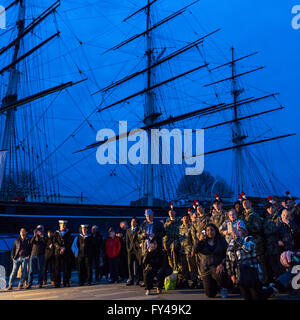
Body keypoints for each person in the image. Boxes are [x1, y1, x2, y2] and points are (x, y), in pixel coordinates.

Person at [226, 220, 277, 300]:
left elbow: (249, 248)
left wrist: (239, 239)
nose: (236, 232)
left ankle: (270, 290)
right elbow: (228, 258)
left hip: (251, 272)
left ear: (244, 231)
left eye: (239, 230)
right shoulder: (232, 242)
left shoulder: (249, 239)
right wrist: (231, 274)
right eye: (235, 230)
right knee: (247, 297)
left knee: (256, 297)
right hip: (239, 273)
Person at [193, 224, 229, 298]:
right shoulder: (202, 242)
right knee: (210, 294)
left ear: (215, 231)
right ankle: (215, 286)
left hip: (218, 266)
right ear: (205, 232)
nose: (210, 232)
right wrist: (199, 241)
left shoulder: (221, 240)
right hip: (206, 269)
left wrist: (222, 264)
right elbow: (195, 251)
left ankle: (223, 287)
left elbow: (227, 253)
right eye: (208, 230)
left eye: (212, 230)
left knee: (220, 275)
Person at [241, 198, 267, 284]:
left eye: (246, 202)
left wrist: (245, 225)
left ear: (251, 203)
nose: (244, 203)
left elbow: (257, 228)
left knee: (260, 262)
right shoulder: (243, 215)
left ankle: (265, 281)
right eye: (243, 202)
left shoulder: (254, 215)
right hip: (247, 242)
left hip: (256, 241)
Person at [263, 202, 282, 282]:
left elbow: (278, 228)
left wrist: (271, 230)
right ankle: (273, 280)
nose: (270, 209)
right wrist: (272, 230)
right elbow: (265, 231)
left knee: (279, 264)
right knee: (271, 264)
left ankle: (280, 281)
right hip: (269, 245)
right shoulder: (266, 219)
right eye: (268, 208)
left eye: (272, 207)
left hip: (277, 243)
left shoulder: (278, 217)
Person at [178, 213, 197, 289]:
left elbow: (194, 240)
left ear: (189, 219)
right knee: (183, 267)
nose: (185, 219)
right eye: (184, 218)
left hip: (189, 250)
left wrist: (193, 250)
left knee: (192, 267)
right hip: (182, 250)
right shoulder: (179, 228)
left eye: (187, 218)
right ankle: (185, 281)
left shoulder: (191, 228)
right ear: (182, 219)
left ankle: (194, 281)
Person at [53, 220, 74, 288]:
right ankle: (57, 283)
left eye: (64, 225)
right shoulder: (56, 233)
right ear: (59, 225)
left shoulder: (68, 232)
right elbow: (54, 242)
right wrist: (60, 248)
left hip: (66, 252)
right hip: (58, 252)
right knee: (57, 268)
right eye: (62, 225)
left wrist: (64, 248)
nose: (63, 226)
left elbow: (70, 242)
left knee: (66, 268)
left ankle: (66, 282)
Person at [27, 225, 47, 289]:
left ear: (43, 229)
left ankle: (40, 283)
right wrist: (34, 235)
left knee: (40, 270)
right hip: (33, 254)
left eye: (41, 228)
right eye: (38, 228)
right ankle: (29, 284)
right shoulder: (35, 236)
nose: (39, 230)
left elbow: (45, 243)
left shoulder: (45, 236)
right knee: (31, 270)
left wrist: (42, 235)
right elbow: (31, 243)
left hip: (41, 255)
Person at [126, 217, 142, 286]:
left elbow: (140, 239)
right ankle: (131, 279)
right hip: (130, 250)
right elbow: (127, 241)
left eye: (134, 221)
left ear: (136, 223)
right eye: (132, 221)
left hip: (137, 250)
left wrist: (139, 246)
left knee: (138, 265)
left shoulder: (139, 230)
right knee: (129, 265)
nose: (132, 223)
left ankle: (138, 280)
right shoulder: (128, 230)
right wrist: (128, 249)